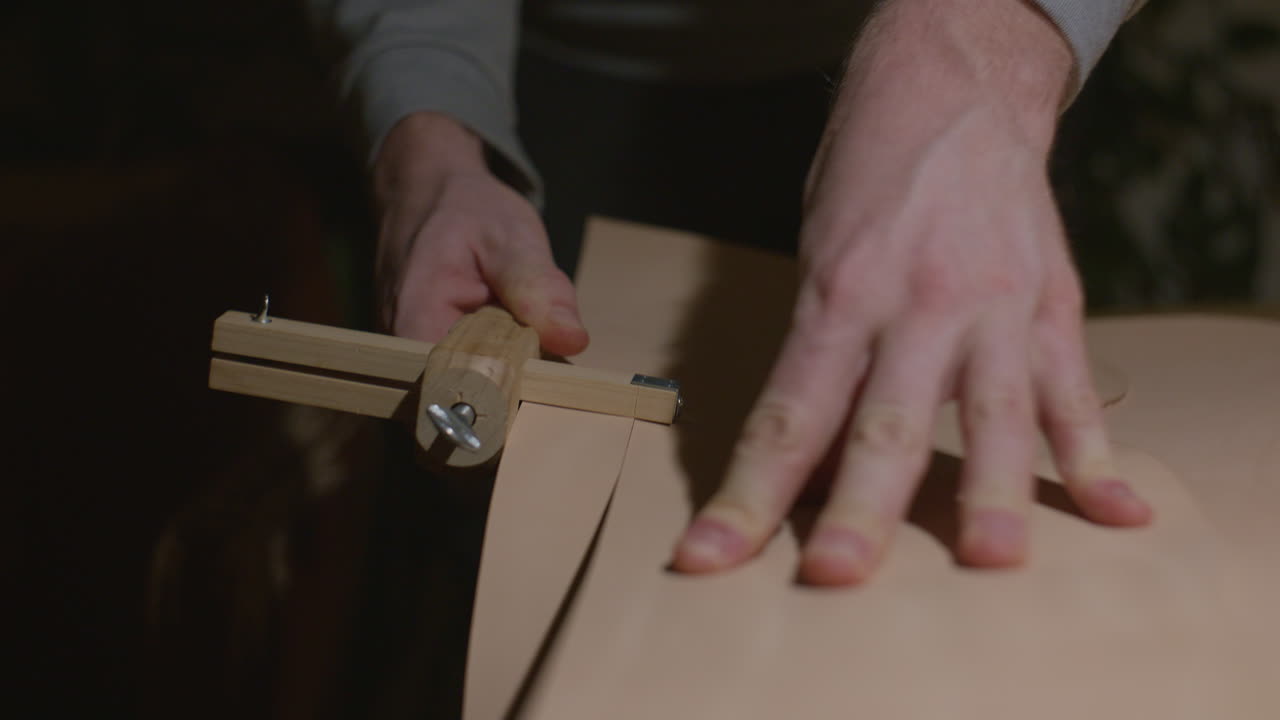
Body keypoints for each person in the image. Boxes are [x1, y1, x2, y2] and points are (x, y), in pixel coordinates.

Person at [308, 0, 1154, 587]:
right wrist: (430, 138)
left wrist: (975, 48)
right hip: (546, 83)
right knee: (486, 548)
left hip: (938, 53)